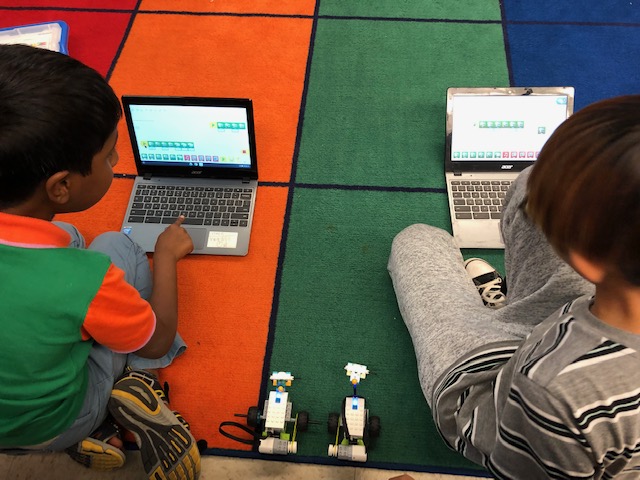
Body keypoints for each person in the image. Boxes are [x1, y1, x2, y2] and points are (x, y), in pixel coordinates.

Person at [388, 95, 640, 478]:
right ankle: (510, 310)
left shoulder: (552, 393)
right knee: (533, 182)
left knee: (417, 240)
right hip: (574, 342)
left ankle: (501, 313)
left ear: (584, 259)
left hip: (504, 399)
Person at [0, 44, 200, 479]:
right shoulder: (85, 279)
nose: (117, 161)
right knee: (114, 242)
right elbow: (156, 339)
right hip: (54, 423)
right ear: (61, 187)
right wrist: (166, 257)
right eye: (109, 155)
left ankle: (97, 429)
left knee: (70, 237)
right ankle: (138, 389)